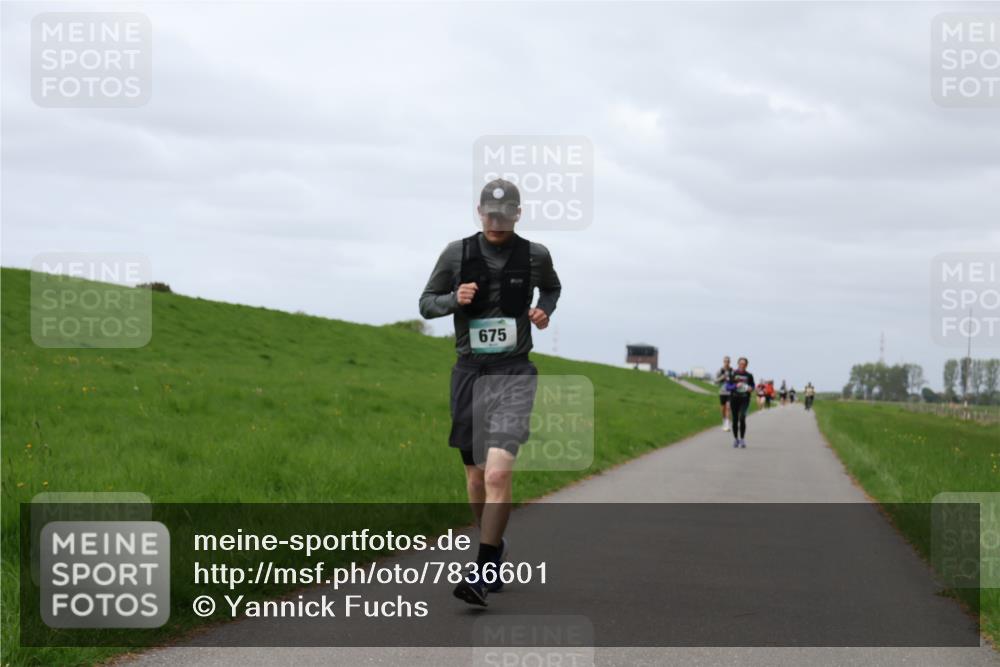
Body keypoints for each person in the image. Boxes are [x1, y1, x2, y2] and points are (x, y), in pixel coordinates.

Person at [419, 178, 561, 607]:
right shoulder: (456, 253)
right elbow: (426, 302)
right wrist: (453, 299)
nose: (497, 222)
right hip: (469, 374)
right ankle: (493, 546)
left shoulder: (536, 255)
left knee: (498, 473)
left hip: (514, 372)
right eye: (490, 214)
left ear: (518, 214)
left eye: (505, 214)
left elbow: (552, 287)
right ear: (479, 212)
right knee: (476, 477)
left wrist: (544, 310)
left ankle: (481, 571)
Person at [729, 357, 755, 448]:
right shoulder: (733, 374)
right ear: (738, 364)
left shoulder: (749, 375)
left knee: (742, 418)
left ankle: (742, 439)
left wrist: (751, 388)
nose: (742, 365)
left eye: (744, 364)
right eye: (740, 363)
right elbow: (728, 387)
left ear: (746, 365)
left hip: (745, 399)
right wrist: (736, 385)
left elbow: (752, 385)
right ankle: (736, 439)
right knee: (735, 420)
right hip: (734, 399)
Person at [715, 356, 734, 431]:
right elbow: (715, 381)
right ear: (723, 362)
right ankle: (724, 421)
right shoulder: (720, 371)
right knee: (723, 408)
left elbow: (735, 380)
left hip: (730, 392)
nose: (727, 363)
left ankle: (727, 424)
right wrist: (722, 378)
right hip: (722, 392)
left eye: (728, 361)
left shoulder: (732, 371)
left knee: (728, 407)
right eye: (725, 361)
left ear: (730, 362)